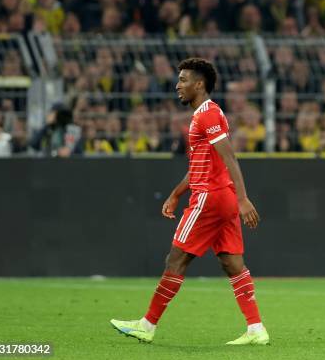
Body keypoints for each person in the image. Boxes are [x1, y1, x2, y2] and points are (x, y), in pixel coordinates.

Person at [110, 58, 269, 345]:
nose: (177, 85)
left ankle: (147, 325)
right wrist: (175, 193)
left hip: (209, 197)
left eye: (183, 80)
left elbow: (229, 156)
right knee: (232, 263)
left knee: (176, 258)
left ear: (199, 84)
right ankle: (256, 328)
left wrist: (244, 199)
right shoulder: (206, 115)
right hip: (223, 196)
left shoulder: (207, 115)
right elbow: (200, 165)